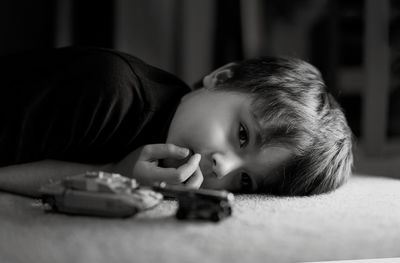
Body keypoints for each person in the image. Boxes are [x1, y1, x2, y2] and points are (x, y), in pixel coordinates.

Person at [0, 46, 353, 197]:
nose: (222, 166)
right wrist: (113, 175)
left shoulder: (173, 118)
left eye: (245, 181)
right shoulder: (109, 93)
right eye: (242, 135)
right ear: (221, 77)